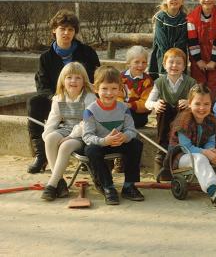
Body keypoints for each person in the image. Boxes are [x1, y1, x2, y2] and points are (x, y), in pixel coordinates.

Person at [27, 9, 100, 174]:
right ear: (54, 30)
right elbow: (42, 84)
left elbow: (98, 77)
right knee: (34, 103)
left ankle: (86, 150)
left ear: (75, 32)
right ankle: (41, 155)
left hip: (84, 98)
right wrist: (57, 97)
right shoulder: (46, 58)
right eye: (62, 29)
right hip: (58, 98)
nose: (66, 33)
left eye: (70, 30)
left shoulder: (87, 53)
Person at [82, 66, 144, 205]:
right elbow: (87, 136)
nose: (109, 93)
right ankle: (108, 187)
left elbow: (131, 130)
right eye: (104, 89)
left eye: (114, 89)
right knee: (91, 150)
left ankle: (129, 185)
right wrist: (105, 141)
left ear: (120, 89)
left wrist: (124, 137)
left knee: (136, 144)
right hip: (101, 144)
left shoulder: (123, 108)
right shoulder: (90, 111)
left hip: (119, 142)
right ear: (96, 89)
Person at [40, 62, 97, 201]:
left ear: (84, 81)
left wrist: (71, 136)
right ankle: (59, 182)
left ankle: (52, 185)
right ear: (62, 80)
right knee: (50, 138)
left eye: (78, 78)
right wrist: (48, 137)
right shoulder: (59, 98)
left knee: (66, 145)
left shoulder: (90, 98)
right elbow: (52, 121)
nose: (73, 81)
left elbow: (87, 123)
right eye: (69, 77)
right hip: (66, 129)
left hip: (83, 133)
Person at [145, 48, 196, 172]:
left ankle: (179, 145)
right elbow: (148, 103)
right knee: (163, 106)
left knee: (182, 105)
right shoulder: (159, 82)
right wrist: (155, 104)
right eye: (171, 62)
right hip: (165, 119)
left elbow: (198, 101)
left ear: (184, 66)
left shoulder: (190, 82)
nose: (174, 66)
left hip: (181, 119)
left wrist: (189, 103)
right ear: (164, 65)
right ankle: (162, 147)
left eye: (179, 63)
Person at [148, 0, 188, 79]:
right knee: (162, 82)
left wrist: (175, 56)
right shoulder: (160, 18)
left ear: (182, 0)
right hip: (163, 55)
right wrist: (169, 57)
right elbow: (161, 41)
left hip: (179, 55)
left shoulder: (185, 18)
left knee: (178, 81)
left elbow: (182, 39)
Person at [119, 46, 153, 128]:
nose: (140, 65)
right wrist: (120, 103)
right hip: (120, 109)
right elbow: (117, 94)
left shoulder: (147, 81)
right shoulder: (121, 77)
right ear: (128, 64)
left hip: (138, 112)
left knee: (135, 120)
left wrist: (130, 105)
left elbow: (146, 103)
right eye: (136, 62)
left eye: (144, 62)